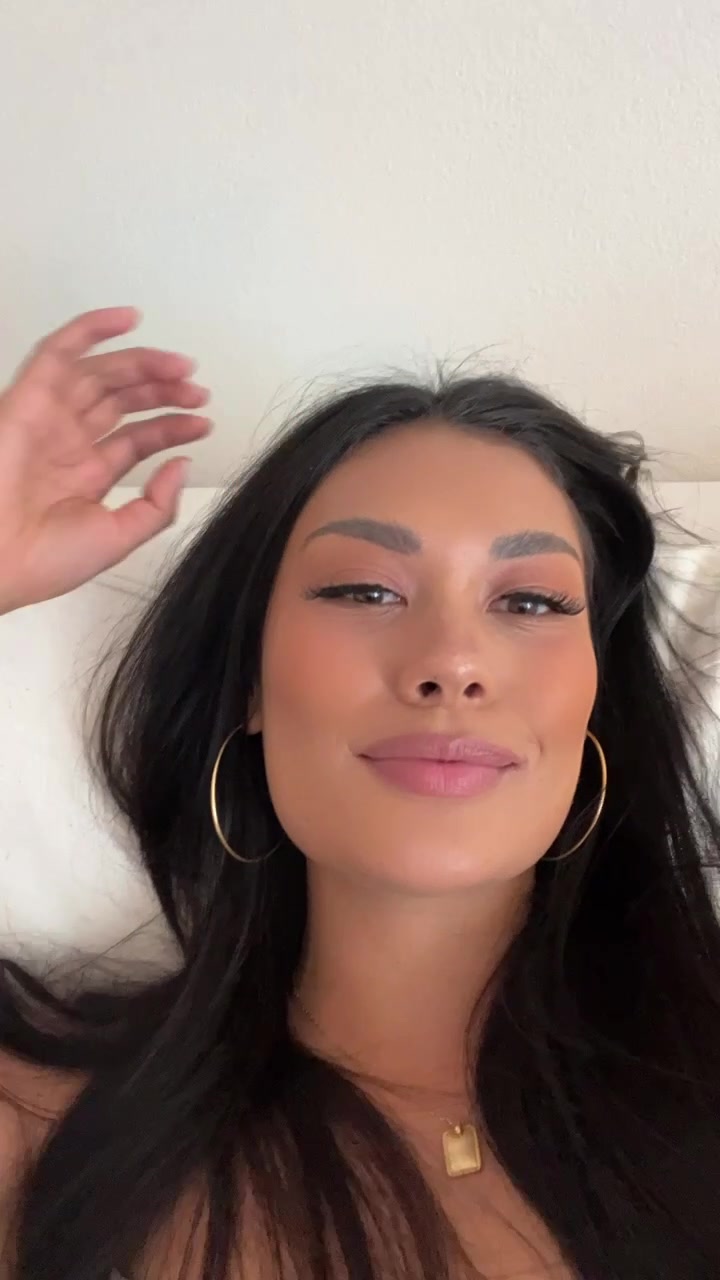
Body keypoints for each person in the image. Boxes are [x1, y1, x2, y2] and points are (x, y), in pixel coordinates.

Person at [0, 306, 717, 1280]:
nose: (453, 660)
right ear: (250, 685)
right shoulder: (44, 1131)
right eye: (364, 590)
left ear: (597, 701)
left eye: (531, 600)